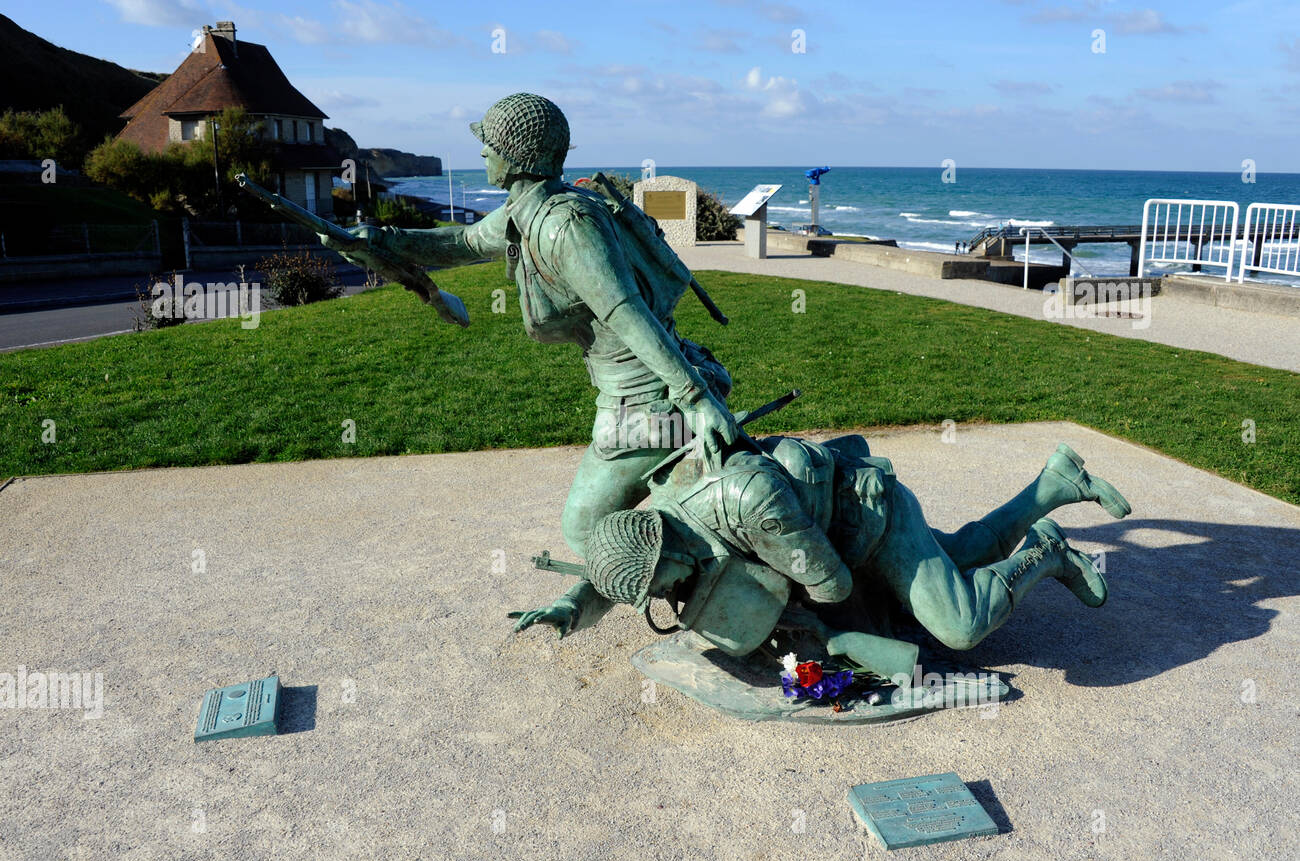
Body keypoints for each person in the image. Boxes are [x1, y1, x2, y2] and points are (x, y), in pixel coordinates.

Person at [317, 93, 738, 573]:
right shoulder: (531, 210)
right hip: (633, 396)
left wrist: (695, 398)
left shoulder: (566, 225)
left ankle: (716, 580)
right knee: (630, 517)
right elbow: (465, 240)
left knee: (584, 529)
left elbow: (626, 312)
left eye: (490, 144)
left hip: (647, 402)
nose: (482, 154)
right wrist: (380, 242)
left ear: (517, 155)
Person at [512, 435, 1131, 669]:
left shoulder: (749, 501)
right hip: (834, 530)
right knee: (964, 555)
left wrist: (787, 619)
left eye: (663, 587)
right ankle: (1056, 483)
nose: (670, 597)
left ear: (666, 552)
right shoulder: (660, 524)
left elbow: (831, 586)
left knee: (959, 624)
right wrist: (574, 603)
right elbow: (619, 561)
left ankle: (1048, 553)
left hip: (872, 521)